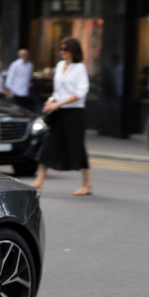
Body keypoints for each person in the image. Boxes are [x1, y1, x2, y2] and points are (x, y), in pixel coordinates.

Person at [32, 37, 91, 197]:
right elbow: (57, 90)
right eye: (61, 49)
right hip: (58, 112)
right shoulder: (59, 66)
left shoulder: (79, 68)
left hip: (74, 113)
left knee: (78, 146)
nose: (62, 52)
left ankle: (86, 184)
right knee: (49, 143)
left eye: (65, 49)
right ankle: (39, 181)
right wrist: (50, 101)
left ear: (73, 51)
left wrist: (57, 104)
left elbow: (80, 93)